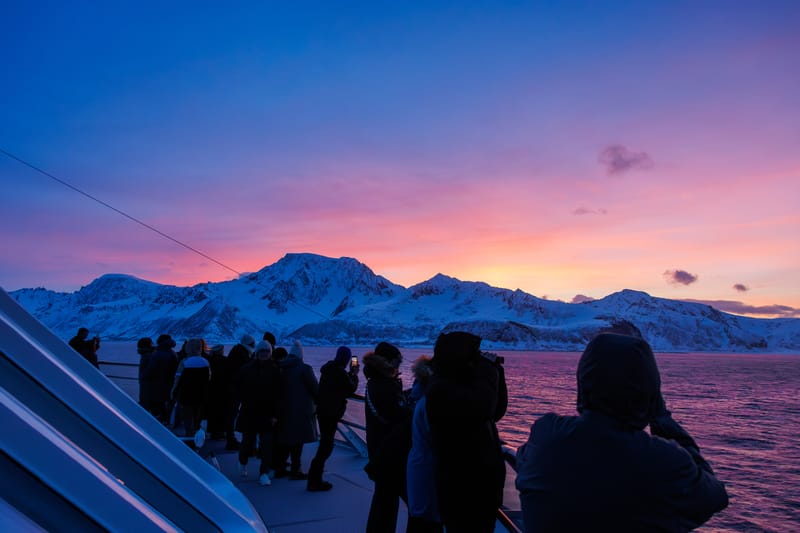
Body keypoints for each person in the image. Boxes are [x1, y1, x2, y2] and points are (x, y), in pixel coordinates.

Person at [515, 333, 729, 532]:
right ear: (649, 394)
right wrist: (662, 419)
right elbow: (714, 497)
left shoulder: (546, 435)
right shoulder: (664, 461)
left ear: (584, 384)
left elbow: (526, 465)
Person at [425, 331, 507, 533]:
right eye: (475, 353)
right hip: (463, 490)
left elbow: (495, 411)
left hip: (478, 488)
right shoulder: (441, 388)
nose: (478, 358)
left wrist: (498, 373)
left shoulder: (462, 385)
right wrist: (488, 370)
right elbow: (483, 407)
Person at [363, 341, 414, 533]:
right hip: (391, 454)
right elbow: (399, 415)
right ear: (389, 363)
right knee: (410, 502)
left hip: (379, 450)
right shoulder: (385, 386)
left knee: (384, 500)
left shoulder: (375, 382)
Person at [307, 346, 359, 492]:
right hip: (330, 413)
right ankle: (314, 480)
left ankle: (314, 478)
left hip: (323, 411)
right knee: (326, 447)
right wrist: (354, 374)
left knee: (325, 444)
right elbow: (350, 388)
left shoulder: (328, 370)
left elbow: (339, 385)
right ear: (346, 359)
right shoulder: (339, 372)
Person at [235, 340, 280, 486]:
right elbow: (238, 388)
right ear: (257, 353)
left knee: (266, 444)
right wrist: (243, 402)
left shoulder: (275, 370)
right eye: (261, 351)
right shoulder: (246, 369)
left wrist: (275, 414)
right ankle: (242, 462)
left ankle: (264, 473)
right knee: (247, 442)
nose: (264, 354)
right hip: (249, 412)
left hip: (267, 414)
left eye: (266, 352)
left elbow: (278, 394)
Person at [405, 355, 442, 532]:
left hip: (419, 464)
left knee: (418, 517)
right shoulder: (430, 403)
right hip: (427, 467)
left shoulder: (418, 398)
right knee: (427, 520)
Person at [274, 340, 319, 480]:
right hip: (301, 411)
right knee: (297, 442)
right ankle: (295, 469)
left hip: (283, 411)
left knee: (286, 441)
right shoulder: (305, 369)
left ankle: (280, 468)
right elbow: (315, 390)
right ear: (300, 355)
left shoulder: (281, 368)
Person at [172, 338, 211, 442]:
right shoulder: (205, 362)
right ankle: (198, 437)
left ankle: (190, 437)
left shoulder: (185, 362)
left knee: (188, 417)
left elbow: (177, 378)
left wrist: (174, 391)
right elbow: (209, 379)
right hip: (201, 394)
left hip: (186, 394)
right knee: (198, 416)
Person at [225, 334, 256, 450]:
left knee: (232, 415)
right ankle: (231, 439)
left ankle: (231, 438)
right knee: (232, 415)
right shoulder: (242, 355)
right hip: (236, 390)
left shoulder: (237, 351)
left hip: (234, 389)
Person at [144, 334, 179, 423]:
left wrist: (144, 376)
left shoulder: (157, 354)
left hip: (156, 383)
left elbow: (151, 369)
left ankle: (157, 422)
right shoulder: (172, 353)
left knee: (156, 404)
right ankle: (165, 420)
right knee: (164, 403)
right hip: (168, 382)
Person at [136, 337, 155, 408]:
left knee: (145, 401)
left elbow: (148, 369)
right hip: (147, 382)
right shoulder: (149, 354)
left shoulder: (147, 355)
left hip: (146, 383)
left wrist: (143, 377)